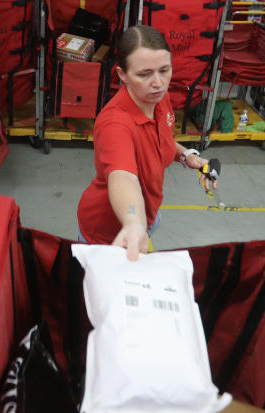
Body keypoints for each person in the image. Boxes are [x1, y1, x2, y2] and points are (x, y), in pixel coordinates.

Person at [77, 25, 219, 260]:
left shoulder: (158, 100)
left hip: (150, 215)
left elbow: (162, 140)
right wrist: (133, 221)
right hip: (111, 235)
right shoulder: (116, 125)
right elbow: (124, 176)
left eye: (164, 70)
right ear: (122, 74)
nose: (158, 83)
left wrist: (187, 156)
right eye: (144, 74)